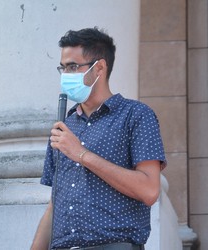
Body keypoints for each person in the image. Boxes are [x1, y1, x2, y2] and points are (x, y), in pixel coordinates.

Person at [31, 27, 166, 250]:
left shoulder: (136, 115)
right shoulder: (65, 126)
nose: (66, 74)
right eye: (63, 68)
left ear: (99, 68)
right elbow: (55, 204)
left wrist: (81, 154)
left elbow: (149, 190)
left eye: (73, 66)